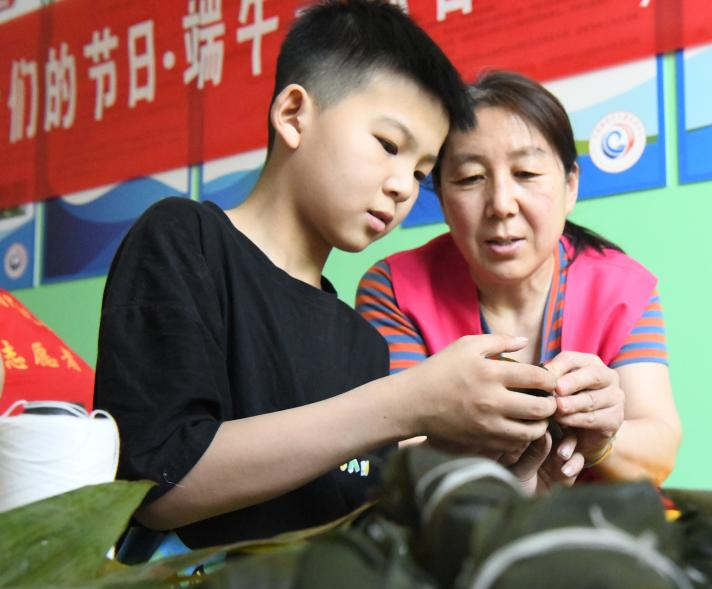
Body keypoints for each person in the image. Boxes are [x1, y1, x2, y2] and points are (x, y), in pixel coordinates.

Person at [94, 1, 573, 550]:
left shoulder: (362, 342)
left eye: (420, 172)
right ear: (294, 114)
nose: (403, 186)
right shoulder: (185, 240)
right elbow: (156, 485)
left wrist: (506, 472)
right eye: (388, 146)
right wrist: (404, 403)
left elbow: (357, 522)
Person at [357, 71, 682, 484]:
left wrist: (603, 440)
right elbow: (391, 452)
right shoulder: (395, 289)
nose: (501, 205)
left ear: (570, 186)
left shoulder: (624, 289)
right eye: (470, 178)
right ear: (442, 198)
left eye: (526, 173)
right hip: (458, 518)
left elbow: (659, 452)